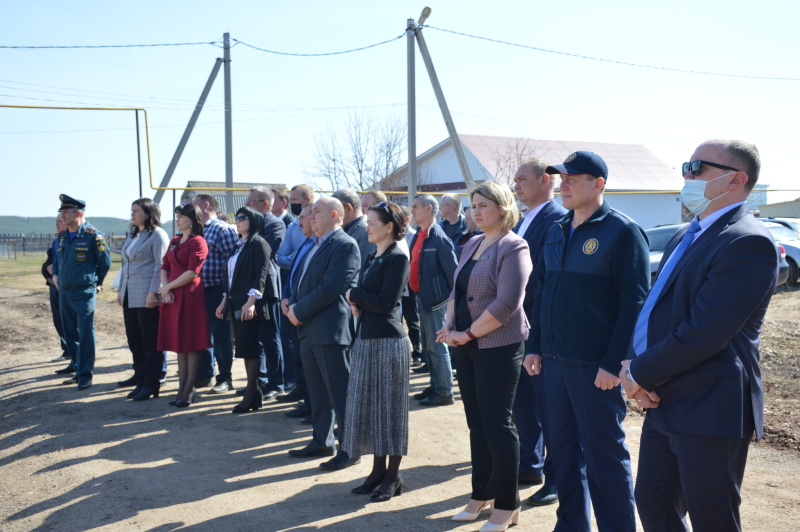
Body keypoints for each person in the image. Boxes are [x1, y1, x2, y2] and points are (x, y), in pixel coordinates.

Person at [621, 139, 778, 532]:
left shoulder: (748, 242)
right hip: (664, 398)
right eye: (685, 167)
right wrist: (634, 371)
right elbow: (655, 311)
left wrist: (638, 373)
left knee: (713, 518)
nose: (686, 177)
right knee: (654, 504)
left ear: (736, 180)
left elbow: (705, 333)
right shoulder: (688, 233)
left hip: (710, 406)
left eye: (697, 169)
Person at [523, 151, 649, 532]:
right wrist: (535, 346)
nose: (564, 184)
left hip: (596, 367)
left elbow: (634, 303)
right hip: (554, 362)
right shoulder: (557, 229)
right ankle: (572, 525)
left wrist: (614, 363)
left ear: (598, 184)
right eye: (561, 178)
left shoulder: (622, 231)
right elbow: (542, 293)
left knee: (603, 455)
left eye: (573, 178)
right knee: (562, 453)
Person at [438, 182, 532, 532]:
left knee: (497, 423)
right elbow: (455, 290)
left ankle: (507, 504)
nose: (475, 212)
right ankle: (481, 495)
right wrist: (449, 325)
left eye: (483, 206)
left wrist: (469, 332)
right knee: (476, 423)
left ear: (503, 208)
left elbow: (507, 303)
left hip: (499, 346)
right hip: (466, 345)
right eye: (472, 206)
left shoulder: (514, 246)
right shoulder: (472, 243)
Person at [285, 197, 361, 471]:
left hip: (330, 330)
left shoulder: (344, 244)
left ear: (334, 215)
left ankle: (351, 448)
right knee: (317, 392)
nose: (310, 216)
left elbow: (332, 287)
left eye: (316, 212)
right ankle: (322, 440)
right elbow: (302, 279)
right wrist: (291, 301)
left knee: (340, 392)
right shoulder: (315, 245)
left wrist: (298, 310)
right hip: (309, 328)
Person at [343, 201, 410, 502]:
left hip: (387, 342)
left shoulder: (397, 257)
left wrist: (355, 295)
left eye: (372, 222)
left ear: (390, 227)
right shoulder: (374, 255)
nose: (367, 226)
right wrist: (358, 302)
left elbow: (385, 303)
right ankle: (377, 471)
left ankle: (393, 477)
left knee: (390, 411)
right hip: (367, 339)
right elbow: (374, 301)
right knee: (371, 409)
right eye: (367, 221)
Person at [512, 158, 567, 505]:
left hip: (540, 325)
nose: (515, 186)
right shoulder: (522, 220)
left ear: (545, 180)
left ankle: (557, 476)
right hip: (516, 325)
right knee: (523, 402)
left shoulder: (556, 219)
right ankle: (529, 463)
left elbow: (544, 278)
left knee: (550, 406)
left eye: (521, 179)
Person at [52, 194, 112, 390]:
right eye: (61, 212)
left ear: (78, 213)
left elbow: (105, 263)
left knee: (85, 332)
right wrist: (58, 277)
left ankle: (86, 374)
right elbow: (59, 263)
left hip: (84, 291)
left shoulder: (93, 235)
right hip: (65, 292)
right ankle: (78, 370)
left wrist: (97, 282)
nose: (62, 216)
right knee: (70, 333)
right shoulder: (61, 237)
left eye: (65, 212)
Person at [216, 206, 272, 414]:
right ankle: (253, 391)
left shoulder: (258, 243)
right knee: (244, 349)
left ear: (254, 221)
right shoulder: (239, 244)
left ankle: (251, 392)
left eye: (242, 218)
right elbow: (228, 277)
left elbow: (261, 275)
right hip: (235, 303)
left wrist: (251, 302)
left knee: (250, 348)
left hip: (250, 305)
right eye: (236, 217)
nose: (237, 221)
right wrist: (224, 300)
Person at [158, 203, 211, 408]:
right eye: (177, 216)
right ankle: (181, 390)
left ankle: (188, 391)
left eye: (181, 216)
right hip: (172, 294)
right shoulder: (175, 240)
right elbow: (164, 267)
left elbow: (192, 273)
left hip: (189, 296)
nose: (178, 220)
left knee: (190, 344)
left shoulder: (199, 242)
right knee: (180, 345)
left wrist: (167, 288)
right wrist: (166, 289)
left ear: (192, 219)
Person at [116, 198, 170, 401]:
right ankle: (140, 379)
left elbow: (160, 265)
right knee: (134, 341)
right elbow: (125, 265)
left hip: (147, 296)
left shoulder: (157, 235)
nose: (132, 214)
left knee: (150, 343)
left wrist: (154, 292)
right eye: (132, 210)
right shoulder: (133, 234)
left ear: (148, 213)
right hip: (130, 294)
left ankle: (151, 383)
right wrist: (121, 290)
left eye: (136, 211)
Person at [408, 194, 458, 406]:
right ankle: (435, 385)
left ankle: (445, 391)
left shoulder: (438, 237)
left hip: (436, 302)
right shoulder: (421, 235)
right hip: (423, 299)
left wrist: (446, 302)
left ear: (429, 209)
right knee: (429, 346)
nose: (412, 211)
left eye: (416, 207)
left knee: (437, 348)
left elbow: (453, 274)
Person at [192, 194, 239, 394]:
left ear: (206, 205)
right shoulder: (195, 230)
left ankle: (225, 378)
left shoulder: (223, 229)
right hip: (197, 291)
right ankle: (205, 374)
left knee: (221, 337)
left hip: (218, 290)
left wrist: (226, 295)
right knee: (201, 335)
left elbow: (233, 262)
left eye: (193, 206)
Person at [245, 186, 286, 399]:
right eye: (247, 199)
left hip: (266, 289)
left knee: (270, 338)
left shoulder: (274, 224)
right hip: (247, 288)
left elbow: (266, 253)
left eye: (252, 199)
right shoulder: (248, 225)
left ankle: (276, 383)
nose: (248, 203)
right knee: (253, 338)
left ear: (266, 204)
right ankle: (257, 381)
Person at [280, 205, 315, 419]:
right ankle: (306, 401)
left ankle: (313, 406)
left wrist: (297, 306)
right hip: (292, 307)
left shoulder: (316, 246)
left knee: (310, 364)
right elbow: (292, 274)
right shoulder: (305, 244)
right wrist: (286, 297)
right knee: (300, 359)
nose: (299, 222)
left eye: (302, 218)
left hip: (305, 312)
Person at [42, 215, 68, 363]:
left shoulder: (74, 240)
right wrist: (47, 268)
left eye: (60, 221)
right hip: (54, 286)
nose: (57, 224)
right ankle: (67, 350)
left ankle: (78, 357)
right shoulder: (56, 241)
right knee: (58, 319)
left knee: (71, 321)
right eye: (56, 222)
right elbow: (49, 262)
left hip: (67, 287)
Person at [332, 187, 375, 265]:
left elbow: (362, 270)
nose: (332, 216)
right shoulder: (351, 229)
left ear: (348, 208)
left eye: (335, 211)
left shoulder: (366, 231)